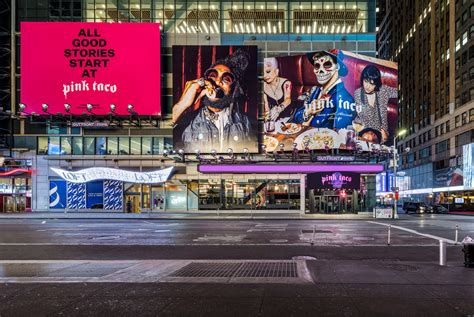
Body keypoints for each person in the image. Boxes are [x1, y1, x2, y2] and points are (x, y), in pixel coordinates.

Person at [172, 49, 253, 153]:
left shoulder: (245, 123)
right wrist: (181, 105)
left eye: (226, 79)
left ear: (232, 89)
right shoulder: (186, 122)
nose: (218, 81)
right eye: (213, 76)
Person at [291, 50, 355, 129]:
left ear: (337, 67)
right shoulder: (315, 90)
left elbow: (340, 136)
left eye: (327, 64)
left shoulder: (345, 98)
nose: (320, 70)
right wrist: (308, 112)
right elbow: (295, 117)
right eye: (317, 66)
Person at [354, 64, 398, 144]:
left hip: (381, 132)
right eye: (366, 81)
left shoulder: (383, 90)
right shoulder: (358, 93)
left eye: (372, 84)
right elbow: (358, 116)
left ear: (376, 84)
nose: (367, 86)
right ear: (362, 79)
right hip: (364, 130)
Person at [263, 58, 293, 130]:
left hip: (289, 119)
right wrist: (267, 116)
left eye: (268, 71)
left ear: (276, 71)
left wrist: (278, 109)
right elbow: (266, 106)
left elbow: (288, 99)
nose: (264, 75)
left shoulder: (286, 83)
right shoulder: (263, 86)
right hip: (275, 122)